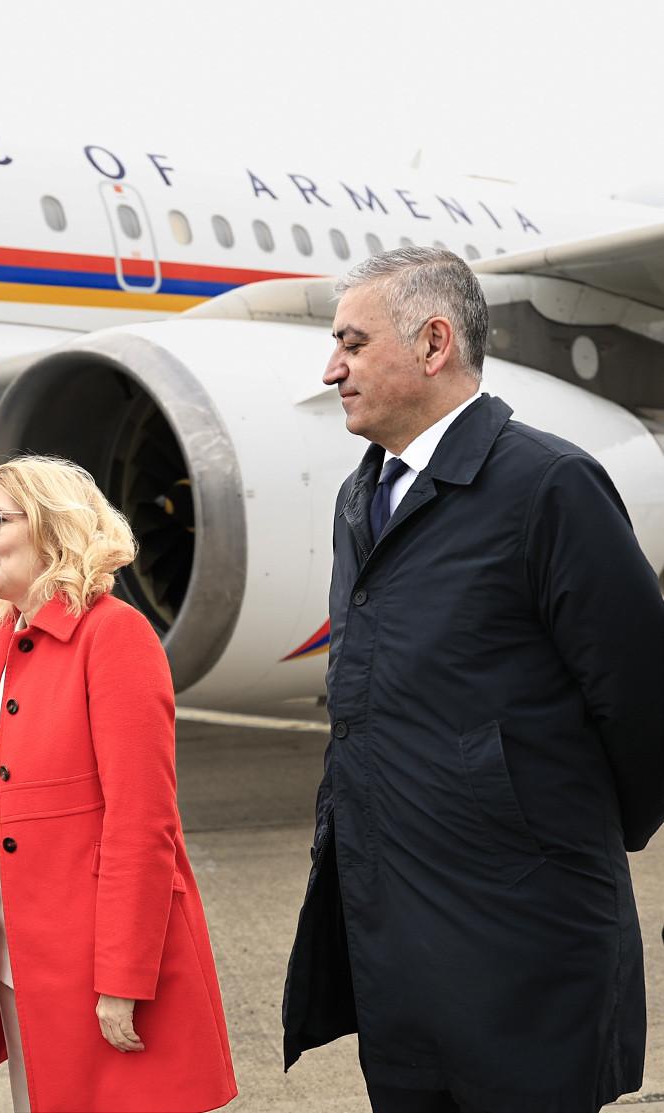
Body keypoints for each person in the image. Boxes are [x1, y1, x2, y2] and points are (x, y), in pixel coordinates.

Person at [283, 247, 664, 1113]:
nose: (330, 367)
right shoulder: (361, 496)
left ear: (433, 343)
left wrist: (544, 834)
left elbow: (644, 700)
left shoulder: (548, 485)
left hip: (523, 943)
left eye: (351, 340)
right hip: (396, 945)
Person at [0, 455, 237, 1113]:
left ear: (50, 528)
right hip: (17, 963)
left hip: (97, 969)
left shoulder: (115, 635)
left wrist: (125, 977)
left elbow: (142, 820)